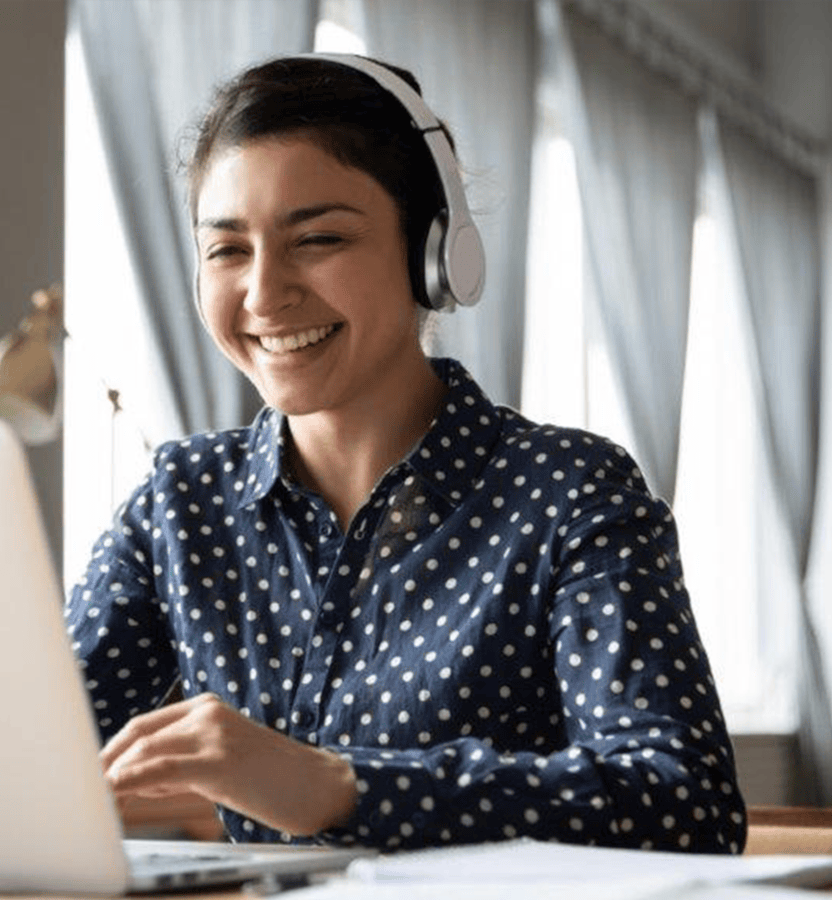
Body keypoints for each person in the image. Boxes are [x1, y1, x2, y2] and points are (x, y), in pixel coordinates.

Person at [66, 53, 746, 854]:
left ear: (435, 254)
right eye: (227, 251)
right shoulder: (181, 502)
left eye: (317, 237)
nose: (263, 293)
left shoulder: (570, 493)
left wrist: (339, 787)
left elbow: (685, 802)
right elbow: (32, 753)